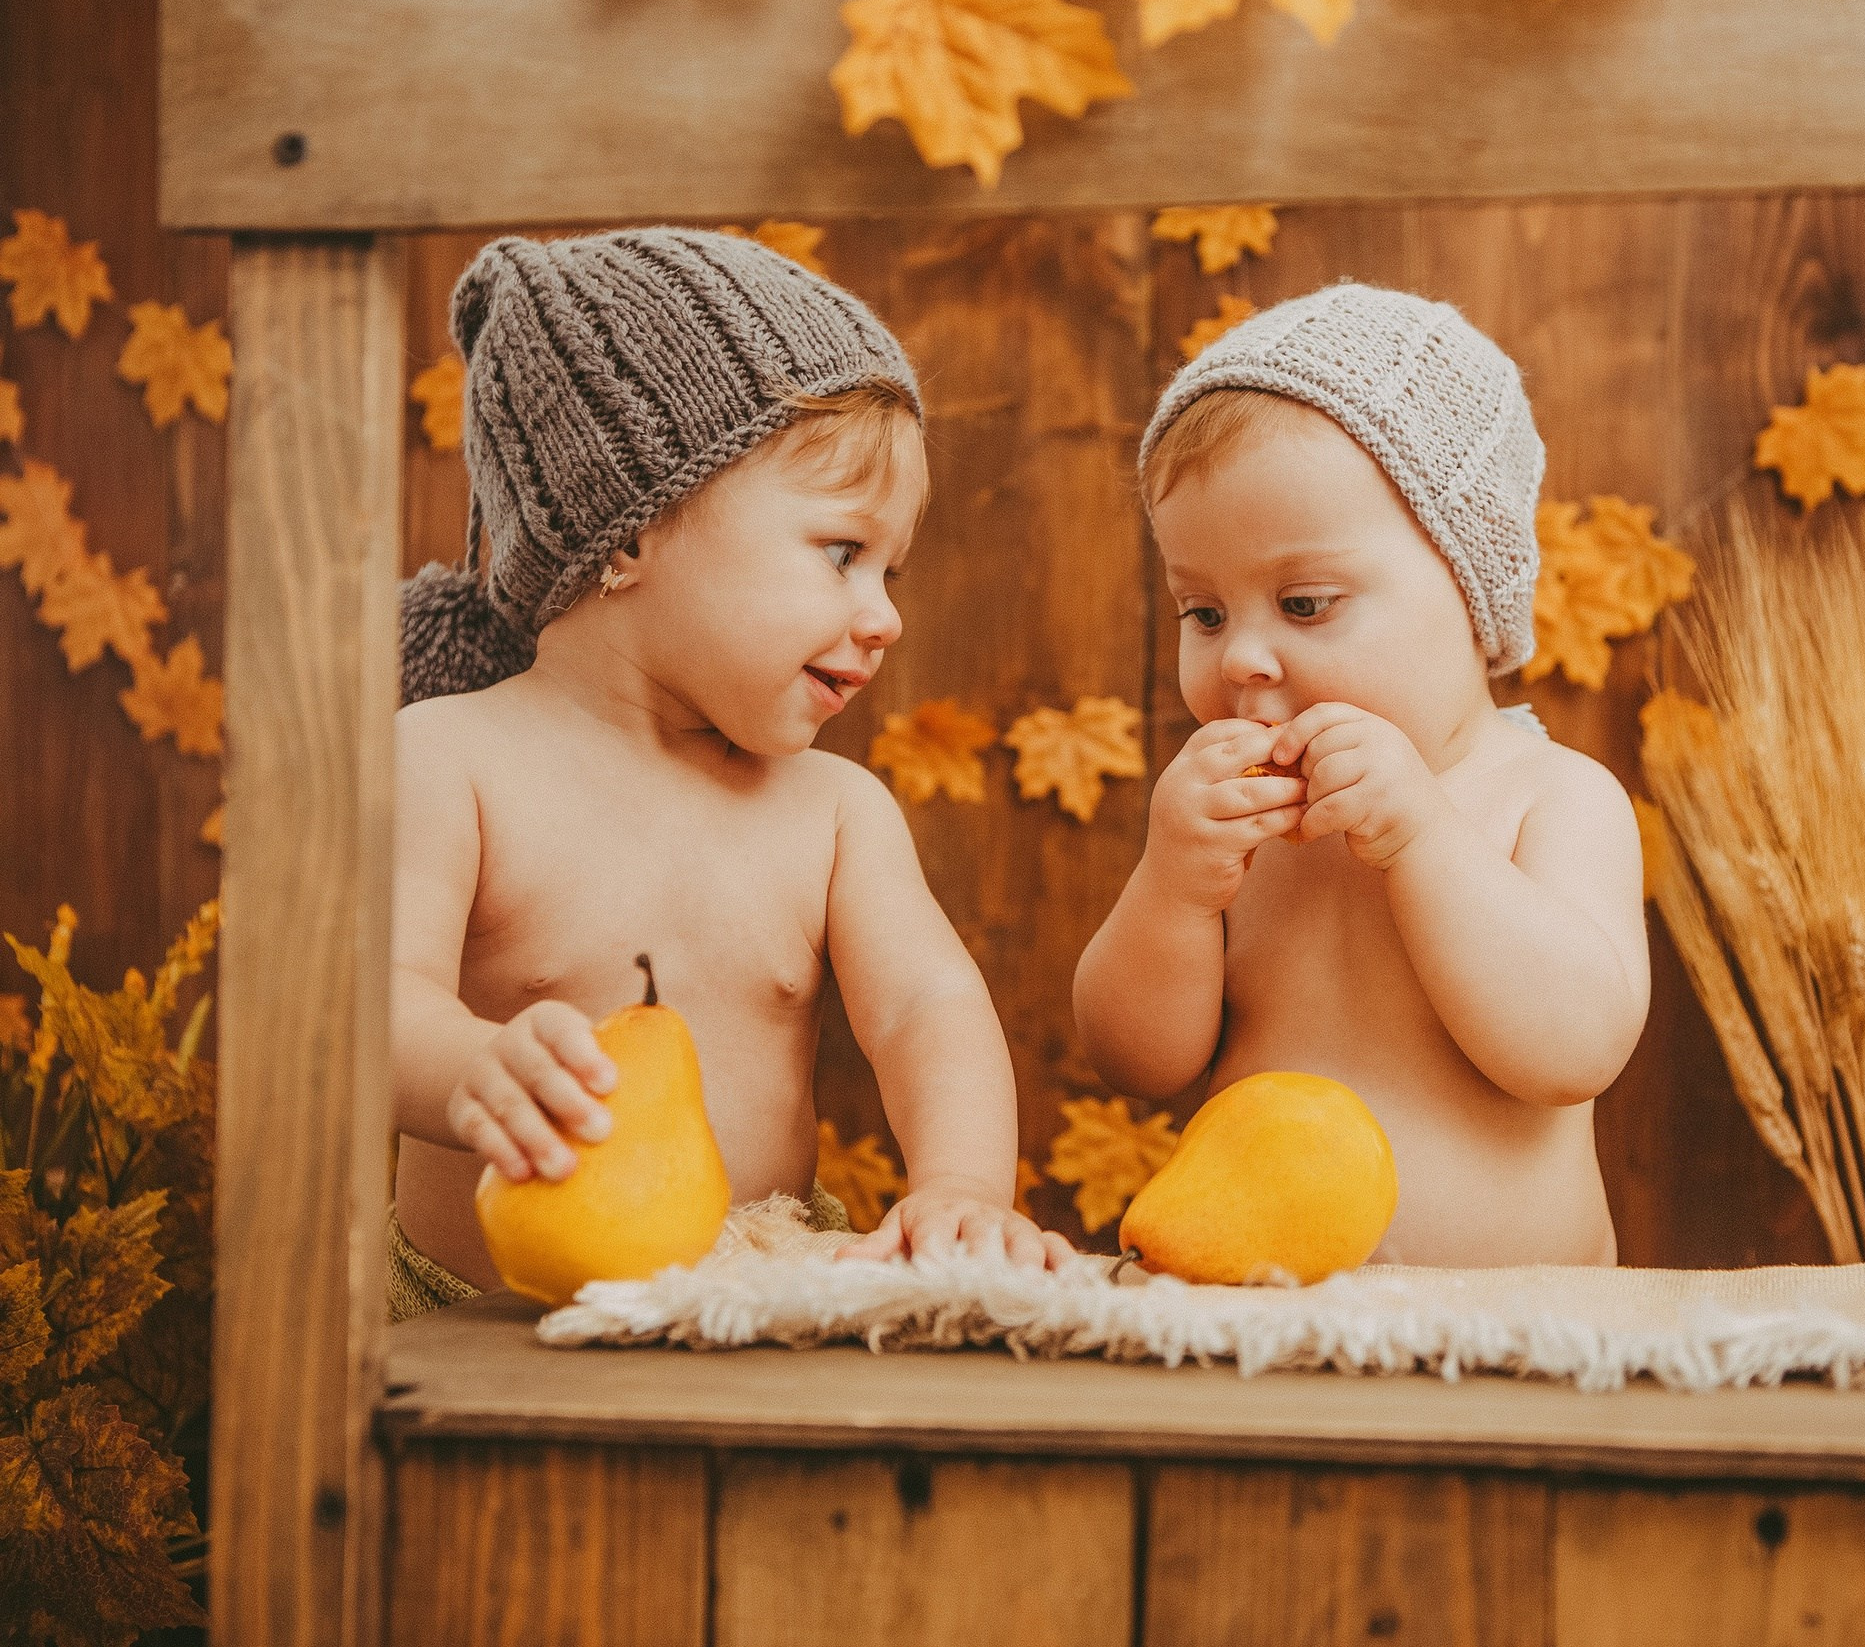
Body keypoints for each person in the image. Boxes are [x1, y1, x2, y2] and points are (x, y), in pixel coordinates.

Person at [388, 228, 1071, 1323]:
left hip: (762, 1296)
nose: (884, 616)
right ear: (628, 536)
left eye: (892, 571)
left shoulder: (834, 812)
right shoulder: (451, 759)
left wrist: (960, 1185)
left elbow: (925, 1007)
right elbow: (372, 999)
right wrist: (469, 1065)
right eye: (842, 552)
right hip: (479, 1310)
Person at [1075, 284, 1650, 1268]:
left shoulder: (1552, 796)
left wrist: (1426, 837)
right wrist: (1171, 888)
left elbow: (1574, 1050)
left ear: (1470, 594)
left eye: (1304, 604)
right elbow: (1135, 1061)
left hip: (1517, 1324)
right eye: (1203, 613)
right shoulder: (1233, 823)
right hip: (1262, 1309)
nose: (1241, 656)